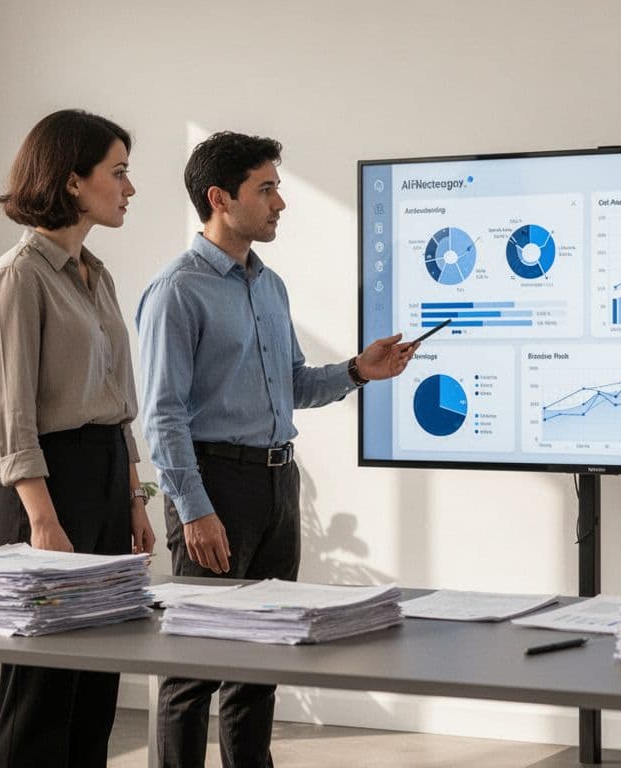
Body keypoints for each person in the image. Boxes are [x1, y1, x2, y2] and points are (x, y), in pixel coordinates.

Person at [137, 131, 417, 768]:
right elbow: (163, 414)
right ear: (220, 198)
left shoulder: (270, 286)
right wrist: (194, 508)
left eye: (277, 188)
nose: (280, 203)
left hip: (276, 486)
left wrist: (356, 370)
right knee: (193, 668)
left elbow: (292, 386)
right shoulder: (177, 291)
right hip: (215, 487)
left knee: (260, 657)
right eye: (266, 188)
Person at [0, 109, 156, 768]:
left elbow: (116, 404)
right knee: (43, 691)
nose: (129, 188)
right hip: (48, 490)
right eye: (119, 172)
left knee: (97, 684)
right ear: (74, 181)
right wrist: (41, 523)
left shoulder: (95, 274)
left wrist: (133, 500)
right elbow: (9, 410)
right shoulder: (19, 276)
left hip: (106, 478)